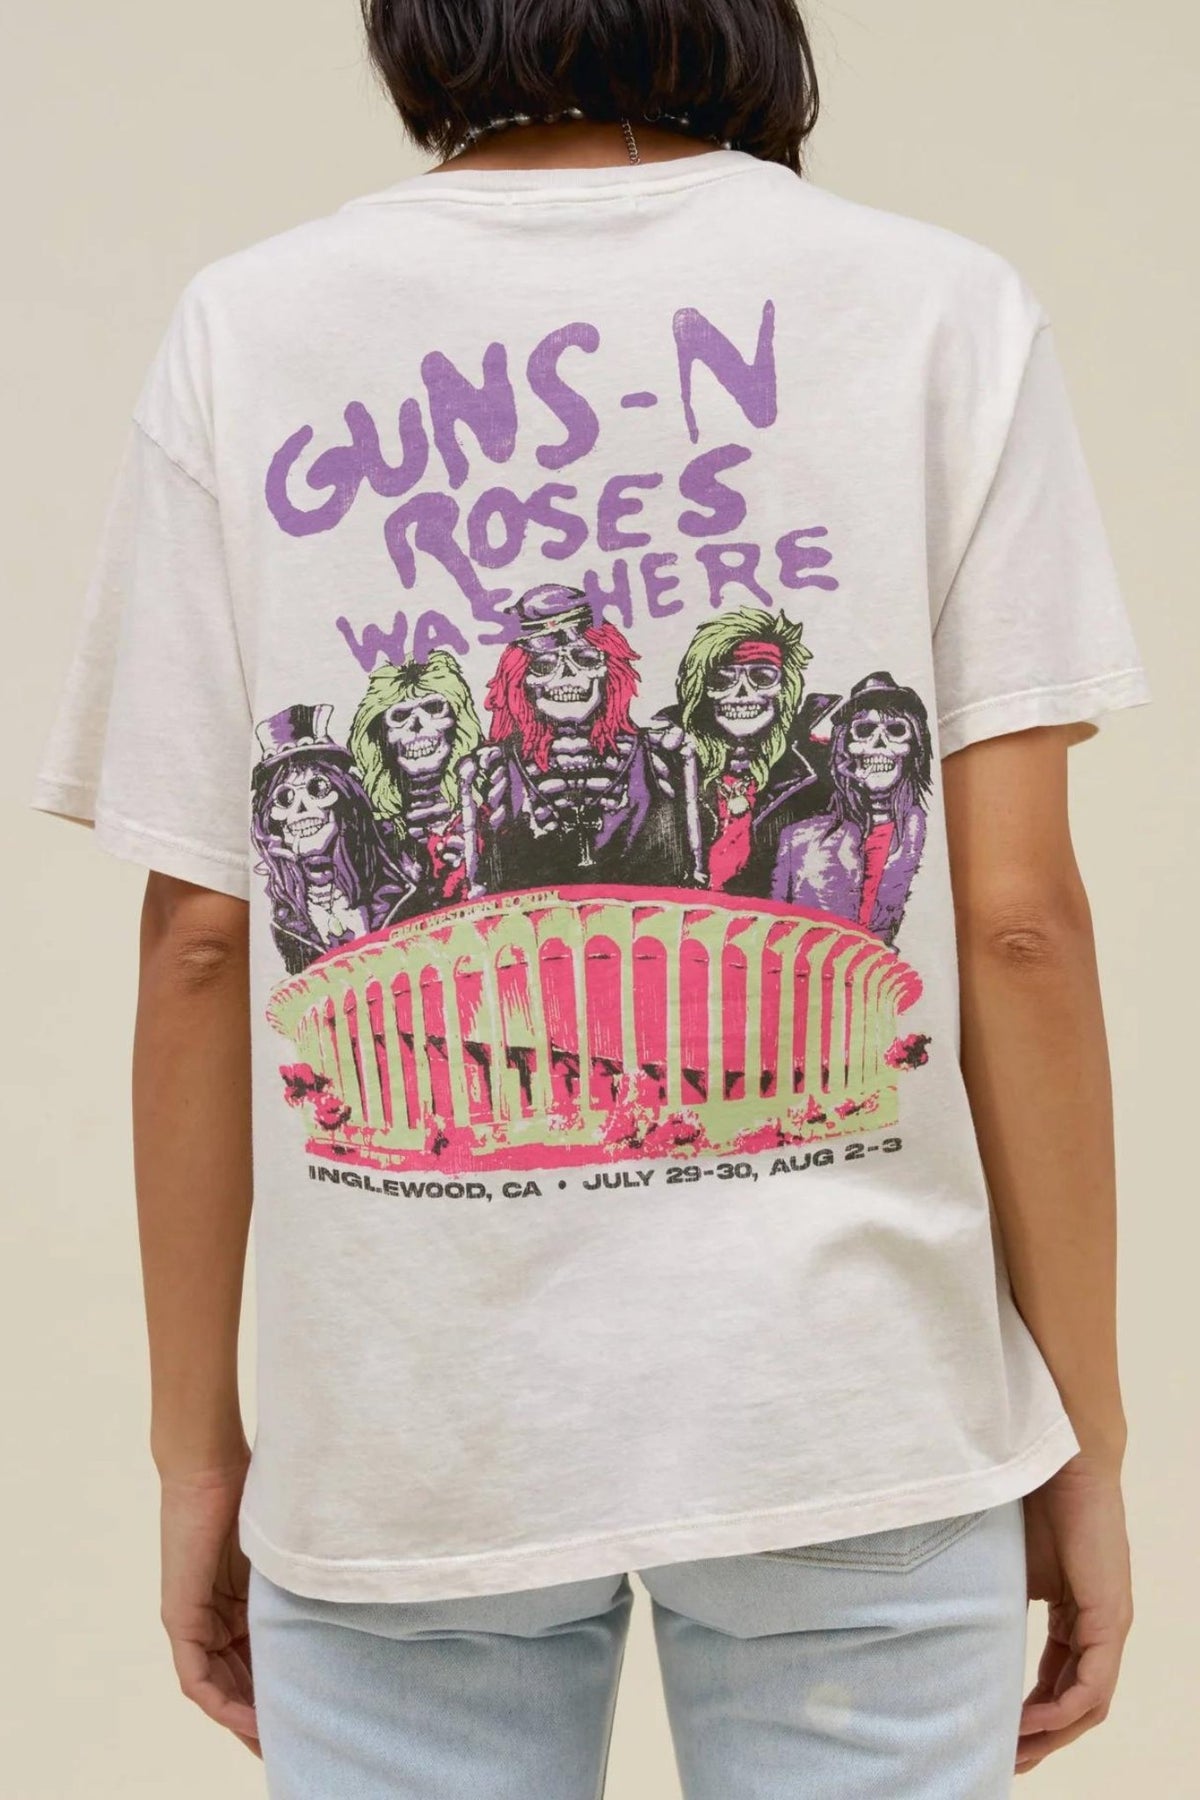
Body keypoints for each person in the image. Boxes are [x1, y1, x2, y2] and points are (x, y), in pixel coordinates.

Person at [31, 1, 1147, 1793]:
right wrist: (1084, 1432)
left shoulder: (251, 329)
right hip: (849, 1405)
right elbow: (1016, 923)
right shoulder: (941, 309)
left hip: (410, 1438)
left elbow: (203, 946)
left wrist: (198, 1454)